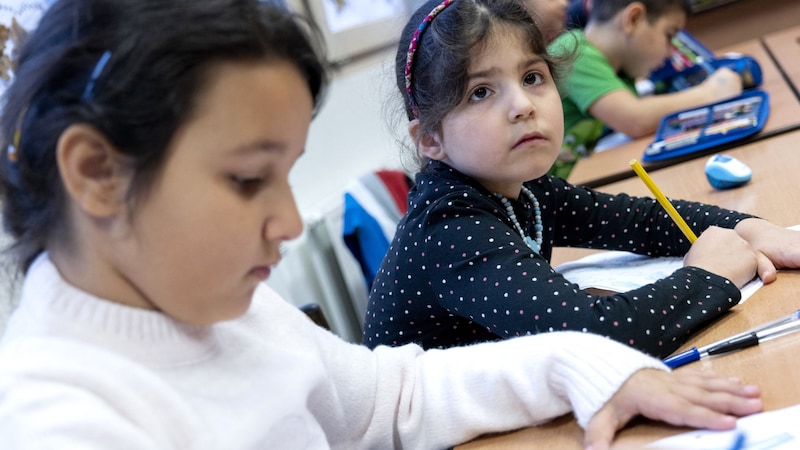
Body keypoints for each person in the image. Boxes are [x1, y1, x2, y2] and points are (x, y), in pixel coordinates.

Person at [0, 1, 765, 449]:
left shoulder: (230, 311)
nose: (287, 221)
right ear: (98, 173)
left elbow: (391, 395)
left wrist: (585, 366)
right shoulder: (55, 419)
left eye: (286, 174)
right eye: (245, 180)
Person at [363, 0, 800, 360]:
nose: (522, 105)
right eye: (481, 91)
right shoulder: (451, 226)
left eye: (532, 77)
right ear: (431, 140)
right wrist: (709, 274)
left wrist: (749, 228)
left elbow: (642, 220)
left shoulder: (523, 187)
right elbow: (592, 337)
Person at [547, 0, 743, 178]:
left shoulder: (620, 69)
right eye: (669, 35)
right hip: (551, 200)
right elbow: (635, 119)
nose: (668, 53)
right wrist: (709, 93)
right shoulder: (572, 52)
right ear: (633, 19)